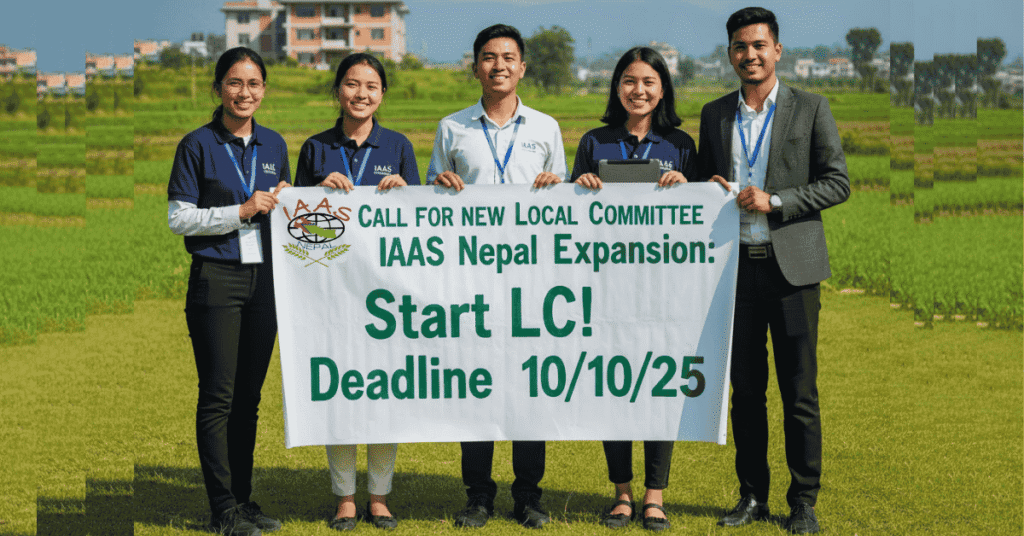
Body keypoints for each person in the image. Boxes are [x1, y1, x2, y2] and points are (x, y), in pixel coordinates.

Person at [695, 7, 850, 535]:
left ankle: (803, 500)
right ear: (731, 53)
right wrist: (704, 184)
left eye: (759, 45)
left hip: (793, 271)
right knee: (746, 391)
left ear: (777, 50)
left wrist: (776, 199)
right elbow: (701, 180)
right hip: (734, 272)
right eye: (740, 46)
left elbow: (837, 182)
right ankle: (751, 496)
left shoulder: (811, 108)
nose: (750, 55)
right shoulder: (715, 114)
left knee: (799, 391)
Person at [426, 23, 566, 529]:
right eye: (489, 57)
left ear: (522, 67)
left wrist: (557, 185)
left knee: (530, 391)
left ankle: (529, 496)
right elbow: (427, 205)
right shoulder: (452, 127)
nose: (499, 65)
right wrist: (440, 183)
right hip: (472, 284)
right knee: (476, 389)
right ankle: (478, 496)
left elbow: (566, 207)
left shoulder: (546, 127)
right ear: (476, 66)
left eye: (508, 57)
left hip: (532, 287)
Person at [570, 46, 695, 532]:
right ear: (616, 87)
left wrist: (688, 185)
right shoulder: (594, 142)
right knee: (613, 388)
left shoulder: (680, 144)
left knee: (658, 388)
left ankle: (654, 496)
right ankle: (621, 493)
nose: (637, 90)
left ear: (662, 88)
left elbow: (702, 213)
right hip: (605, 287)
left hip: (663, 290)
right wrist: (577, 185)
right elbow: (567, 215)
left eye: (648, 81)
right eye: (628, 80)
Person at [168, 47, 291, 536]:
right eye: (235, 83)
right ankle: (223, 509)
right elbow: (179, 218)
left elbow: (285, 207)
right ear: (218, 88)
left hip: (265, 282)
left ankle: (243, 499)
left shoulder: (275, 144)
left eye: (254, 84)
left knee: (250, 399)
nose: (245, 93)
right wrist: (238, 212)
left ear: (264, 90)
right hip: (216, 277)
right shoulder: (196, 144)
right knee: (218, 396)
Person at [294, 52, 420, 532]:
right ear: (338, 91)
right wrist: (315, 192)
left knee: (384, 392)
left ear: (382, 94)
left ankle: (380, 496)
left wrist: (404, 190)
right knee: (340, 391)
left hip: (386, 294)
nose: (360, 93)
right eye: (351, 84)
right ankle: (345, 497)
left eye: (370, 86)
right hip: (330, 292)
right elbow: (296, 224)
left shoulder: (399, 145)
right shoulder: (315, 148)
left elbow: (419, 221)